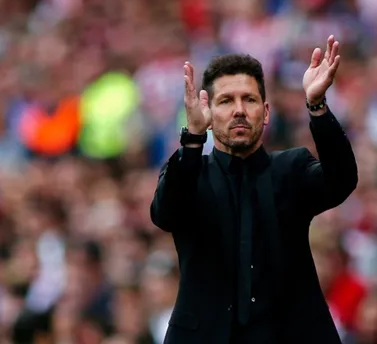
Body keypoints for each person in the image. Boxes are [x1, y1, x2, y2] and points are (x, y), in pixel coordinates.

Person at [150, 35, 358, 344]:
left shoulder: (291, 169)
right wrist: (192, 138)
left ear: (266, 112)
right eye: (226, 101)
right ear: (209, 115)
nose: (239, 110)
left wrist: (317, 106)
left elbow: (342, 180)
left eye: (249, 99)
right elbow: (165, 213)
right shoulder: (190, 173)